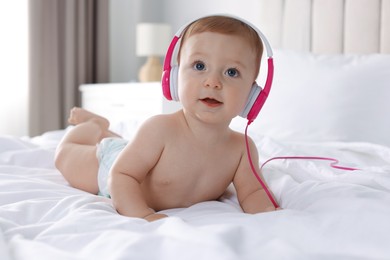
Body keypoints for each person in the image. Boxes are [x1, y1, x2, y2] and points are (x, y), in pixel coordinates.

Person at [55, 15, 278, 222]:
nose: (212, 82)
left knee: (133, 149)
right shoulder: (159, 129)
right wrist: (142, 214)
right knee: (64, 156)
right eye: (199, 66)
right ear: (174, 77)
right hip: (110, 167)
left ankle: (105, 131)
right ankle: (94, 125)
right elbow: (122, 175)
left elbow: (252, 191)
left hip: (137, 154)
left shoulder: (242, 149)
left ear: (252, 94)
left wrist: (267, 214)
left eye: (231, 72)